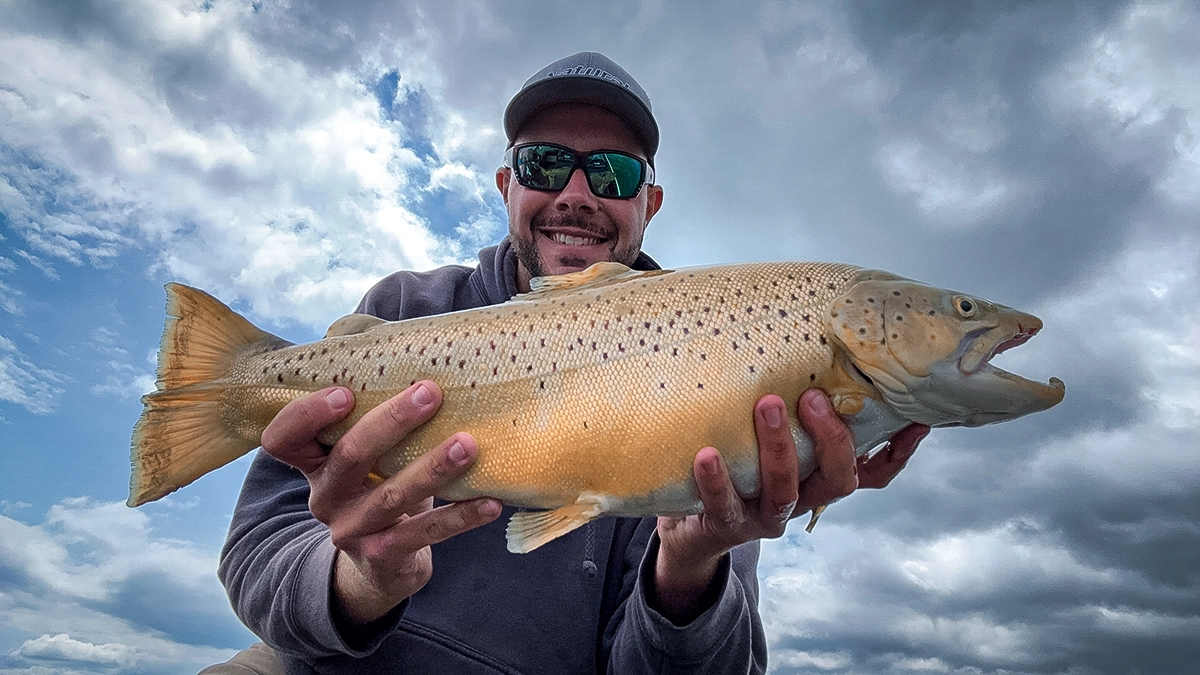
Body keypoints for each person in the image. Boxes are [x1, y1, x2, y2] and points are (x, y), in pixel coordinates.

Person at [203, 52, 927, 675]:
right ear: (505, 186)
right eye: (545, 164)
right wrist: (362, 580)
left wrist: (688, 569)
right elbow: (254, 559)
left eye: (611, 173)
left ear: (652, 201)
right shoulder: (404, 309)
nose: (576, 196)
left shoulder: (721, 356)